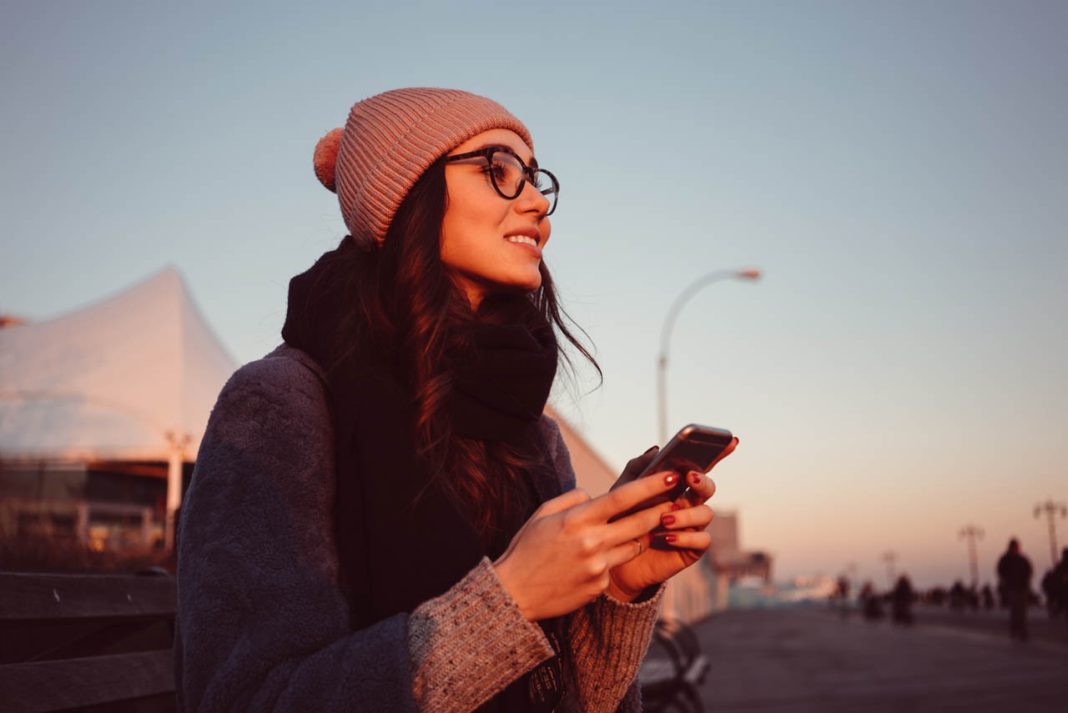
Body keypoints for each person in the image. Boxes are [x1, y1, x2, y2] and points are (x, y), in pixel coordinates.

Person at [174, 88, 737, 712]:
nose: (536, 204)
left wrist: (619, 586)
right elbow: (241, 700)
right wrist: (510, 600)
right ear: (407, 194)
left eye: (536, 180)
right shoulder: (280, 406)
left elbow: (583, 703)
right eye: (498, 171)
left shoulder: (528, 430)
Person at [996, 538, 1033, 642]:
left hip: (1022, 587)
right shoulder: (1005, 559)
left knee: (1022, 611)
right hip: (1012, 588)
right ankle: (1015, 629)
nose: (1015, 549)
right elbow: (1000, 571)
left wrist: (1026, 581)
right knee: (1015, 610)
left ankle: (1022, 630)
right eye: (1014, 547)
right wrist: (1006, 580)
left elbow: (1029, 570)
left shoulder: (1022, 559)